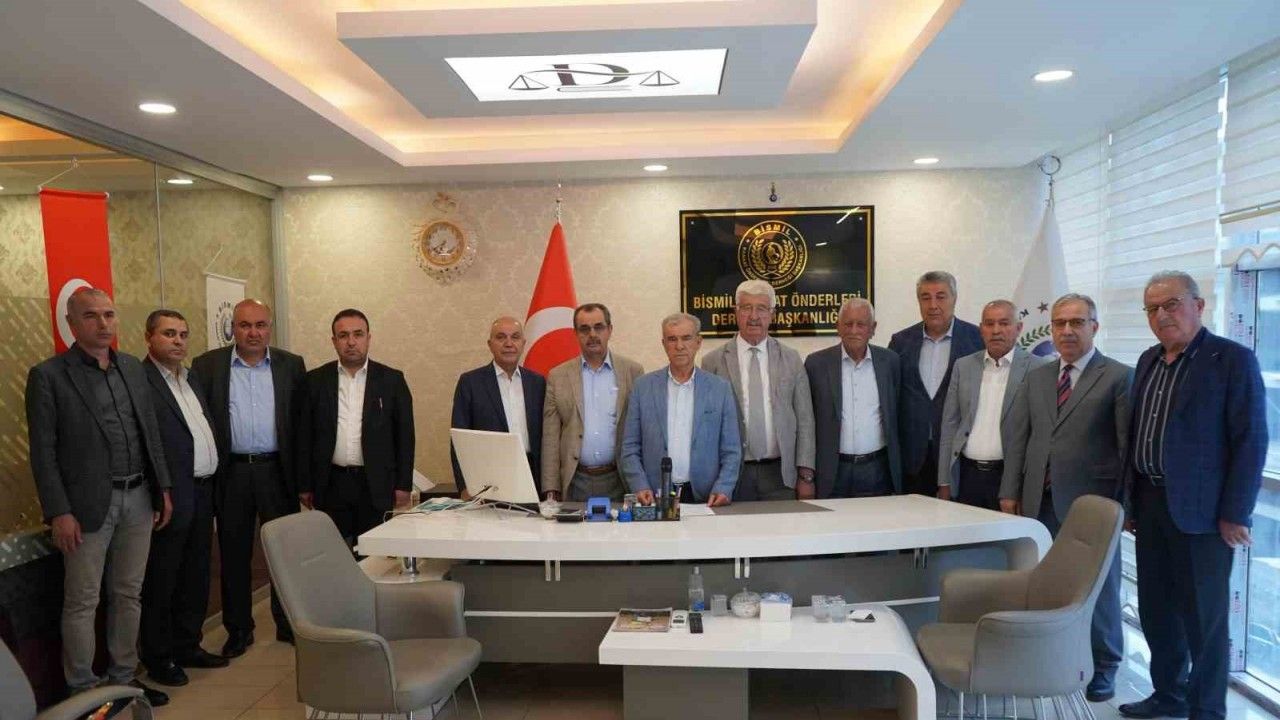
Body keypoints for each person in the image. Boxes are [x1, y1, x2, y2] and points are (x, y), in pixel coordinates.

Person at [1118, 271, 1267, 720]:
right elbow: (1136, 435)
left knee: (1205, 620)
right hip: (1150, 505)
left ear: (1199, 306)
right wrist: (1130, 502)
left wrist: (1235, 512)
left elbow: (1251, 440)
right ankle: (1169, 695)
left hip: (1204, 515)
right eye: (1152, 308)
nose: (1162, 315)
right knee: (1157, 611)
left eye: (1172, 304)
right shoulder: (1148, 360)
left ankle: (1207, 710)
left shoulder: (1232, 360)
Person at [25, 287, 172, 706]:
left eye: (109, 314)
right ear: (71, 324)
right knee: (83, 601)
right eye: (91, 316)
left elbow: (150, 433)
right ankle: (84, 692)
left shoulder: (132, 368)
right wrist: (59, 511)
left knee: (128, 594)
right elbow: (43, 452)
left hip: (138, 497)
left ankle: (124, 679)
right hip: (86, 507)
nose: (103, 323)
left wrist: (162, 489)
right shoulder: (49, 376)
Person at [1000, 293, 1131, 703]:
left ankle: (1104, 665)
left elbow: (1127, 449)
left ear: (1095, 326)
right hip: (1039, 500)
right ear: (1051, 329)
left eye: (1077, 322)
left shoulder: (1118, 376)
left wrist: (1127, 507)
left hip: (1094, 506)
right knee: (1044, 582)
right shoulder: (1038, 377)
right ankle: (1051, 656)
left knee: (1099, 589)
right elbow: (1019, 439)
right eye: (1060, 323)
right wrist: (1009, 492)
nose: (1068, 331)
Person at [191, 299, 306, 656]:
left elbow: (301, 424)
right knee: (233, 554)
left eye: (260, 325)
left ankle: (287, 623)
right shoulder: (207, 366)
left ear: (269, 327)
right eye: (244, 325)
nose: (253, 332)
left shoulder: (291, 365)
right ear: (233, 329)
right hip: (232, 473)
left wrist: (304, 480)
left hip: (277, 472)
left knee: (283, 553)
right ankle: (239, 630)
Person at [139, 309, 227, 687]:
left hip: (203, 490)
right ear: (149, 338)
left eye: (183, 334)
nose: (178, 341)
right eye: (169, 333)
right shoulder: (141, 381)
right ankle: (159, 658)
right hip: (171, 495)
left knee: (196, 572)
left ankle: (188, 645)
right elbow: (143, 443)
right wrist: (158, 492)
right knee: (163, 578)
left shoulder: (191, 379)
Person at [297, 309, 415, 548]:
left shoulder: (392, 380)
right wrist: (304, 484)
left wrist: (403, 484)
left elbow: (405, 437)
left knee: (373, 555)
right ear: (334, 341)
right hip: (330, 483)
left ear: (368, 338)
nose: (351, 342)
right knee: (332, 553)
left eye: (358, 334)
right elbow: (304, 436)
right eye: (343, 336)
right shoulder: (315, 381)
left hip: (375, 484)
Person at [701, 280, 816, 500]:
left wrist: (806, 475)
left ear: (772, 314)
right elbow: (706, 426)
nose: (754, 316)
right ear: (736, 312)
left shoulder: (791, 359)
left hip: (781, 474)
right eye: (746, 308)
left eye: (762, 308)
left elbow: (805, 421)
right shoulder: (712, 362)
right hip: (732, 476)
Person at [936, 300, 1050, 508]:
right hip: (967, 476)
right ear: (981, 329)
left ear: (1018, 328)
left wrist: (1014, 490)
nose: (996, 330)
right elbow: (949, 426)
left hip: (1009, 477)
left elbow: (1038, 436)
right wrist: (944, 481)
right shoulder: (963, 366)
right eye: (989, 324)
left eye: (1004, 323)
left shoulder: (1038, 369)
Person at [805, 298, 921, 498]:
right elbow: (806, 421)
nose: (854, 330)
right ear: (838, 327)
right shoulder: (816, 364)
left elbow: (897, 412)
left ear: (873, 328)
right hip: (832, 470)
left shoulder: (890, 362)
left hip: (876, 469)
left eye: (861, 324)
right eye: (848, 324)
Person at [621, 313, 740, 506]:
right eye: (672, 339)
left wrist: (724, 487)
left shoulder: (720, 388)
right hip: (654, 495)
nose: (679, 346)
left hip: (706, 497)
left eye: (686, 338)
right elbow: (630, 447)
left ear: (698, 342)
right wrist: (639, 485)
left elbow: (732, 450)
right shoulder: (642, 387)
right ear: (663, 344)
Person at [888, 271, 983, 496]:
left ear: (954, 298)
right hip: (912, 457)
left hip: (959, 454)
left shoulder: (977, 339)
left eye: (941, 296)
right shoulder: (900, 342)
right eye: (925, 297)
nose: (933, 305)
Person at [542, 303, 644, 501]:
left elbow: (641, 431)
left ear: (610, 330)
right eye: (584, 329)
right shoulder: (558, 376)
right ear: (575, 333)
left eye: (599, 327)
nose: (592, 335)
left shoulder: (633, 371)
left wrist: (641, 483)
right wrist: (550, 487)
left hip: (620, 480)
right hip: (575, 481)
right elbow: (550, 437)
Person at [449, 316, 544, 496]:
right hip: (488, 478)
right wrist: (464, 486)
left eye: (515, 337)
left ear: (523, 343)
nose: (509, 343)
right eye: (501, 337)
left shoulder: (538, 383)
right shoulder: (470, 383)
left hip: (534, 476)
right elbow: (459, 440)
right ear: (490, 344)